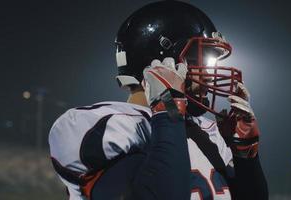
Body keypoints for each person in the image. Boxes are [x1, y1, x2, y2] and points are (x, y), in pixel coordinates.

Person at [49, 1, 268, 199]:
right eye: (201, 59)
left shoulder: (207, 132)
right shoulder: (103, 126)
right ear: (160, 61)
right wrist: (168, 112)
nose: (209, 74)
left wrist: (245, 157)